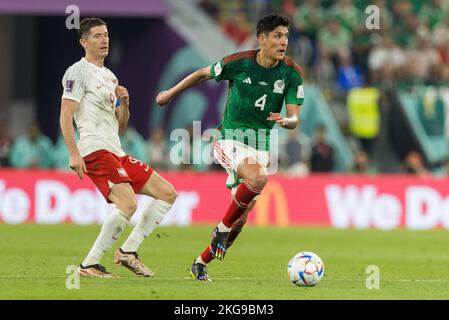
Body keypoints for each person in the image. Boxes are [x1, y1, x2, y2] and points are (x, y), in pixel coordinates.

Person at [156, 13, 304, 281]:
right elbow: (203, 73)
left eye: (286, 36)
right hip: (230, 139)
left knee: (242, 220)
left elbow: (294, 118)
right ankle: (221, 228)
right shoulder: (239, 63)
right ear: (262, 39)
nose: (284, 42)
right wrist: (170, 93)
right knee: (258, 179)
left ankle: (201, 262)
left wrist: (286, 120)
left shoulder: (291, 73)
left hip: (261, 146)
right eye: (277, 36)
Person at [60, 17, 177, 278]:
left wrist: (125, 103)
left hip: (116, 150)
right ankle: (89, 264)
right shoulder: (77, 72)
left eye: (106, 35)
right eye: (98, 36)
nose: (104, 40)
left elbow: (121, 125)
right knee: (127, 203)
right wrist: (73, 152)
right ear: (84, 42)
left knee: (167, 193)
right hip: (95, 149)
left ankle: (128, 251)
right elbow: (65, 115)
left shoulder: (110, 77)